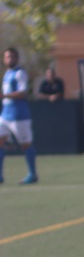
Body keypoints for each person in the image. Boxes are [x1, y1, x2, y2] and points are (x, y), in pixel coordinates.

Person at [0, 47, 39, 184]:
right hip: (5, 115)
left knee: (25, 145)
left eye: (12, 57)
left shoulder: (20, 73)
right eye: (7, 57)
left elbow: (22, 93)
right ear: (4, 59)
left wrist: (4, 96)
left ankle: (33, 174)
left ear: (17, 58)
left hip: (19, 116)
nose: (10, 59)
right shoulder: (7, 73)